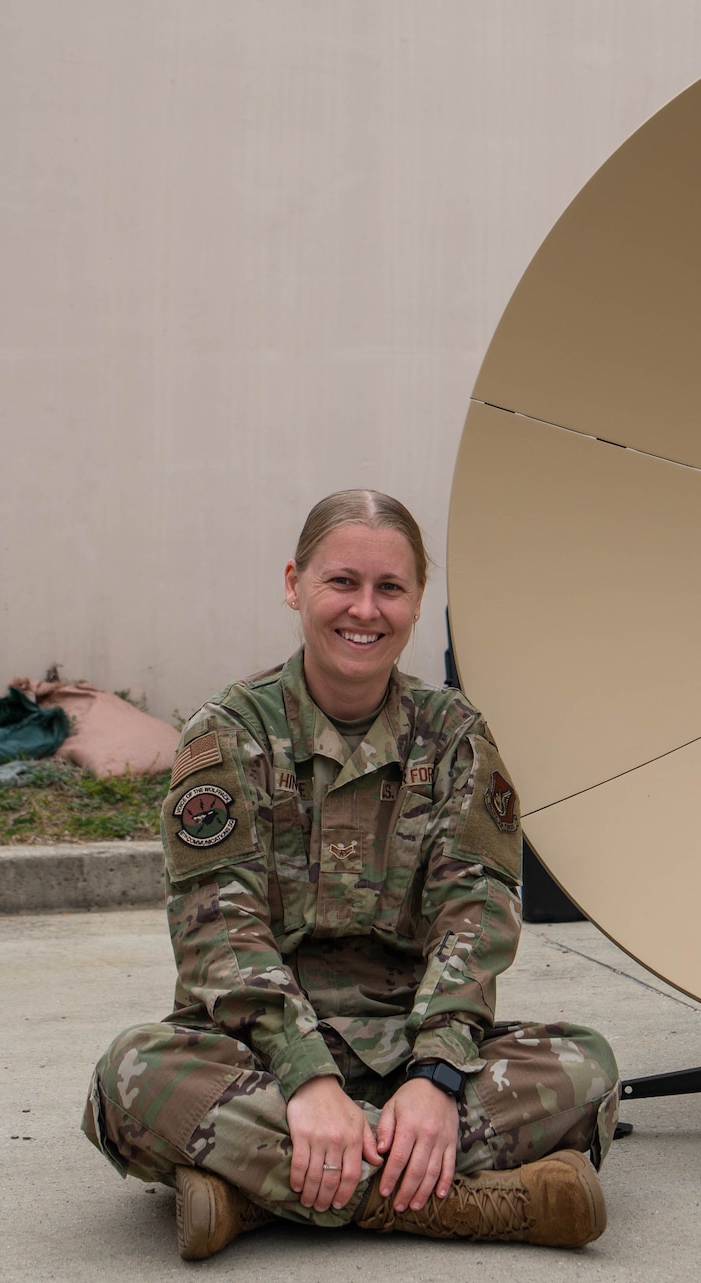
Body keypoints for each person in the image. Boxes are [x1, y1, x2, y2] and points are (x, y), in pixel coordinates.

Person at [82, 489, 619, 1260]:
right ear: (295, 583)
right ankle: (471, 1203)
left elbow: (477, 917)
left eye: (389, 588)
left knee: (587, 1067)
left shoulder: (455, 735)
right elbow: (220, 938)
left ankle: (256, 1192)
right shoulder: (229, 733)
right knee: (132, 1074)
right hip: (254, 1056)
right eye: (342, 582)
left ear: (416, 600)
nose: (364, 609)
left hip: (413, 1048)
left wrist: (434, 1077)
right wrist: (307, 1080)